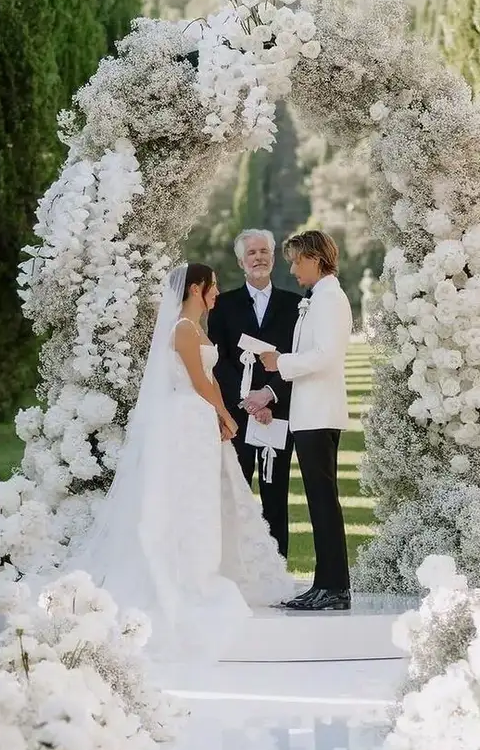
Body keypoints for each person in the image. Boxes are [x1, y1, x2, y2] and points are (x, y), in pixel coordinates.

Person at [55, 262, 294, 663]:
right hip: (187, 417)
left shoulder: (198, 329)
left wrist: (220, 410)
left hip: (202, 418)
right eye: (213, 287)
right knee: (189, 498)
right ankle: (188, 575)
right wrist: (226, 414)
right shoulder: (182, 329)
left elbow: (212, 376)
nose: (217, 293)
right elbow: (199, 384)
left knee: (207, 497)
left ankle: (209, 565)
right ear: (197, 287)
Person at [260, 230, 353, 611]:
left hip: (319, 414)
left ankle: (334, 587)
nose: (293, 269)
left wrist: (280, 363)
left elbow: (326, 356)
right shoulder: (318, 298)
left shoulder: (330, 299)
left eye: (297, 261)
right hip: (309, 413)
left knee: (323, 502)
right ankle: (325, 583)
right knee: (319, 502)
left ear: (315, 258)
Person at [208, 230, 300, 558]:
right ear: (240, 261)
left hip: (278, 411)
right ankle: (234, 566)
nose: (259, 257)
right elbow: (219, 363)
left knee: (276, 495)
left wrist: (269, 396)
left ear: (273, 258)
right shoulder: (223, 305)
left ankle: (277, 570)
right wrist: (249, 401)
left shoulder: (295, 306)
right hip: (238, 415)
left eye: (264, 252)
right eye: (252, 253)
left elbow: (296, 358)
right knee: (236, 493)